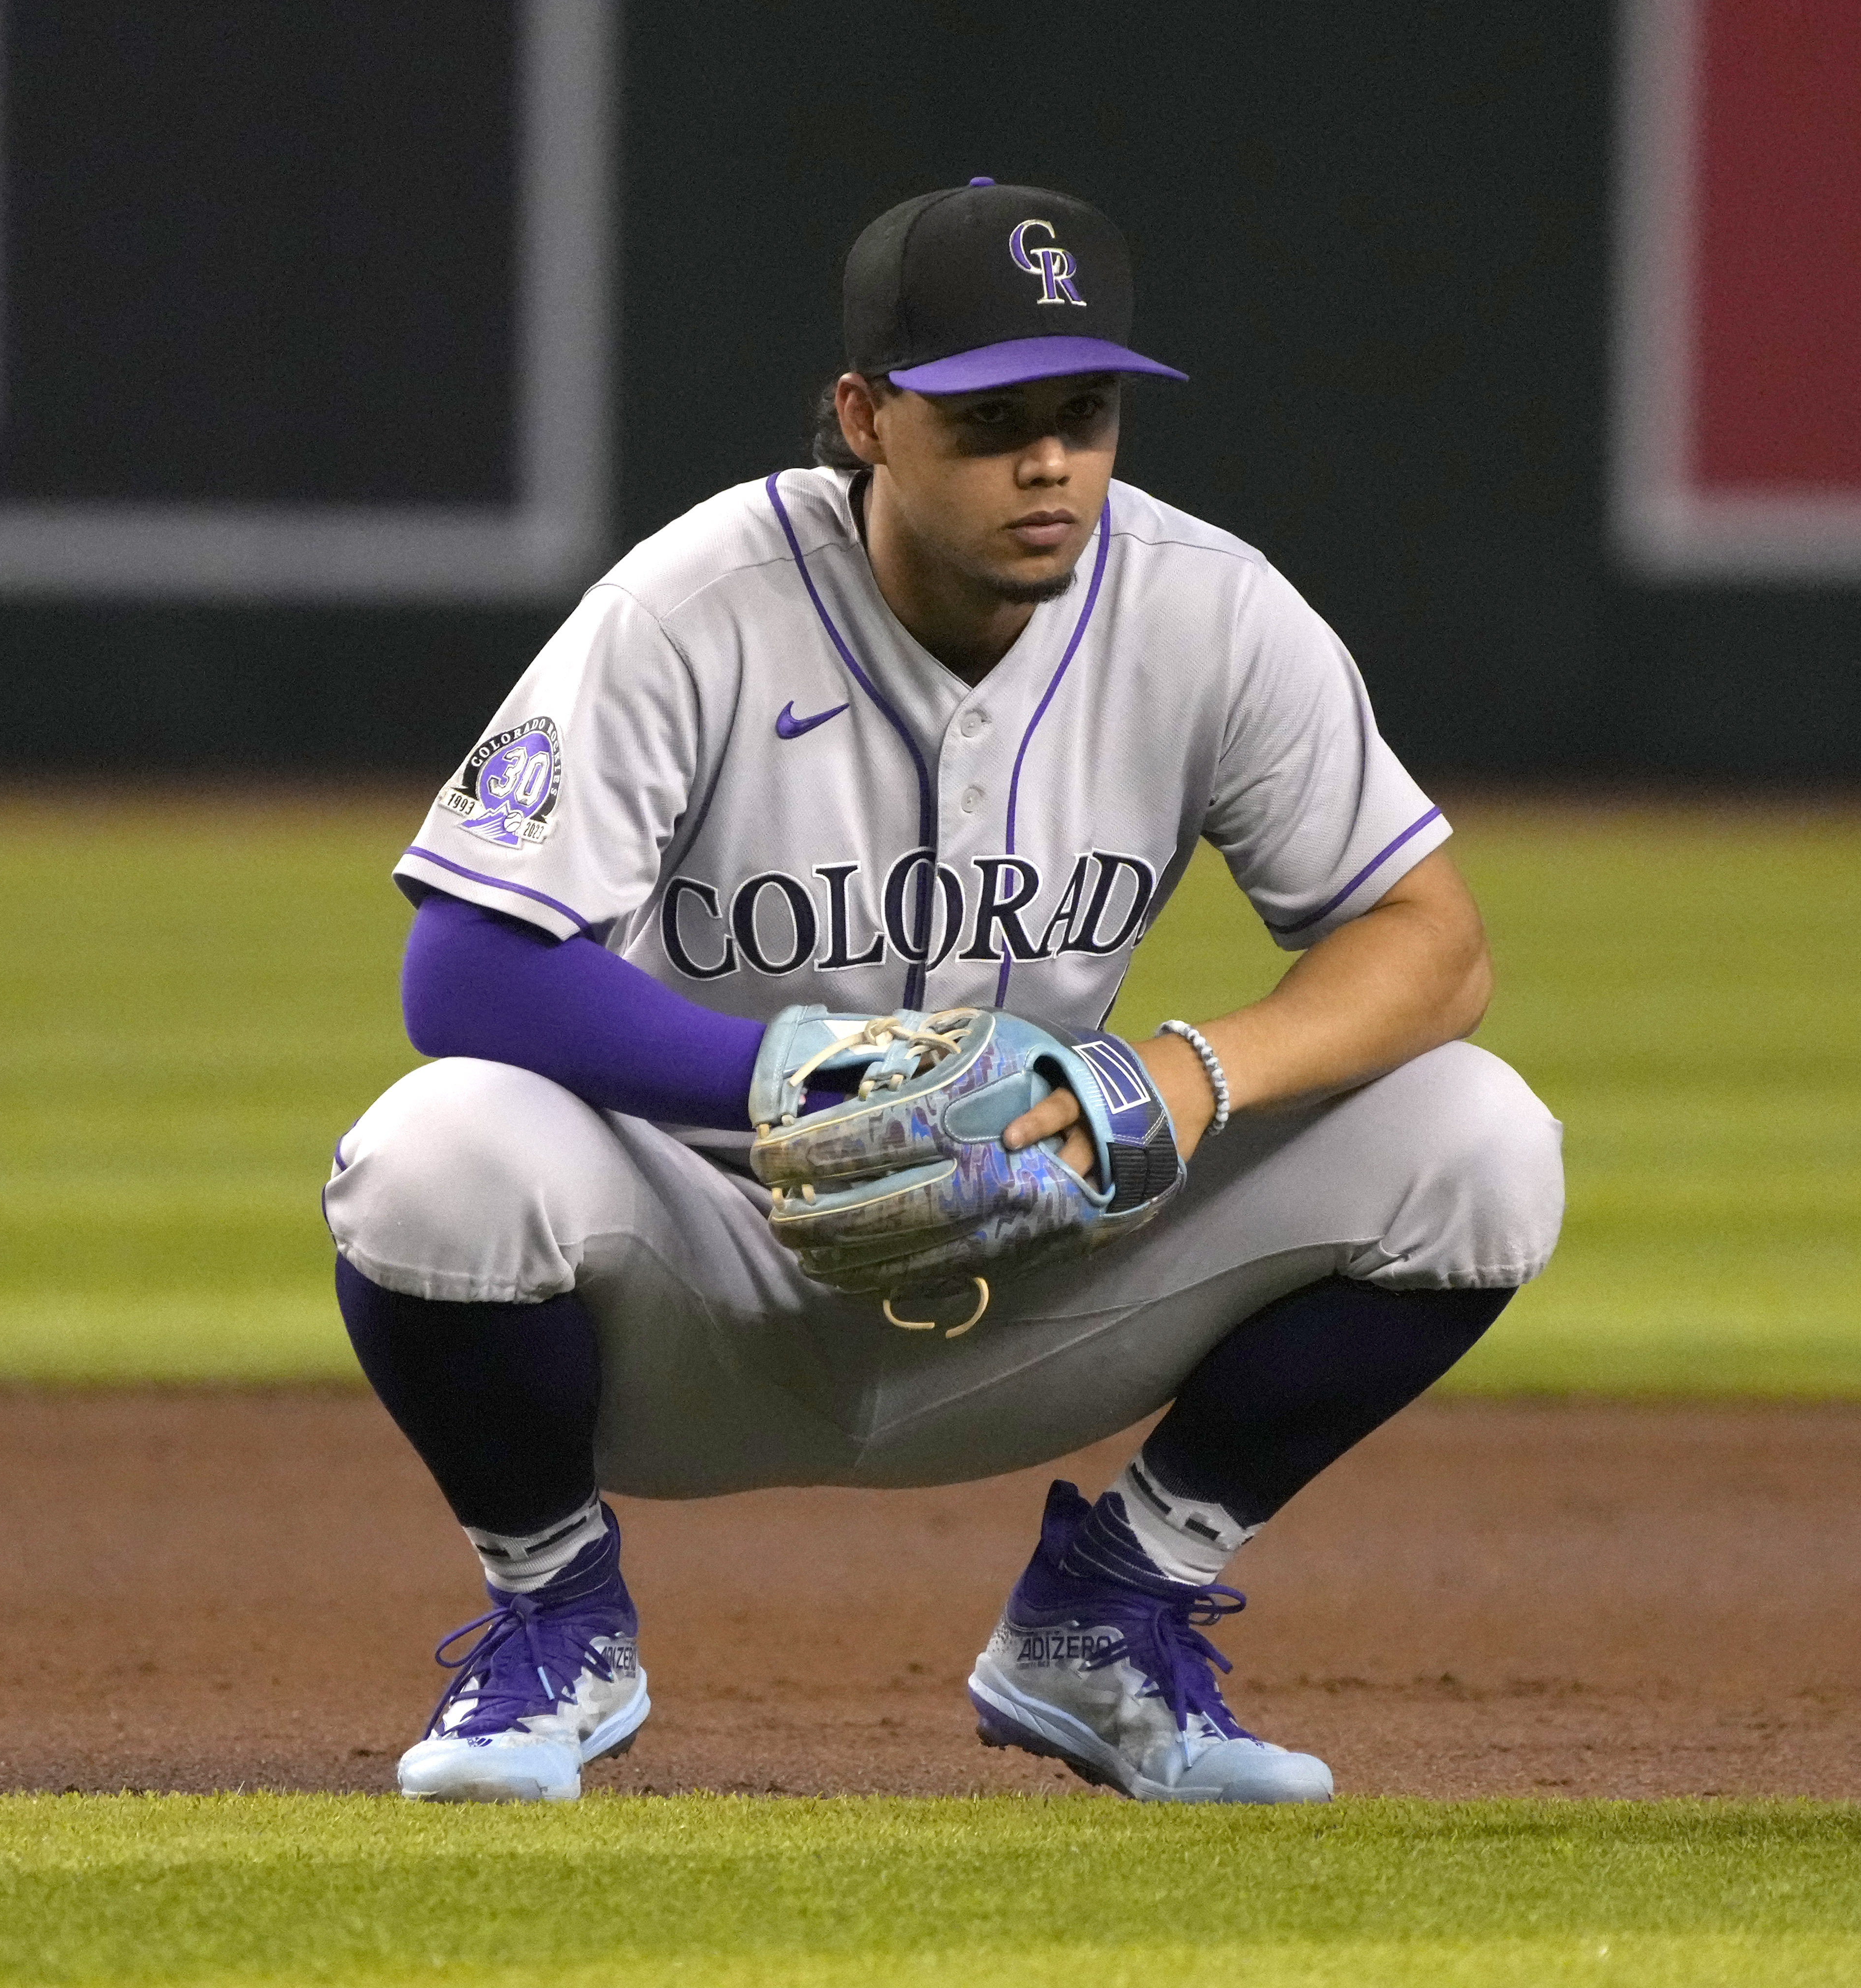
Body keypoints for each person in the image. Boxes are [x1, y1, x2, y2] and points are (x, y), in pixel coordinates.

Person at [323, 178, 1564, 1804]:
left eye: (1085, 414)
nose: (1049, 464)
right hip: (699, 1284)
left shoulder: (1210, 612)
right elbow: (465, 966)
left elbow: (1435, 942)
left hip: (1039, 1278)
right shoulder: (689, 608)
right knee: (432, 1156)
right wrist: (787, 1082)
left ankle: (1113, 1616)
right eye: (990, 422)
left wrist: (1181, 1076)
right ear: (867, 420)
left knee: (1482, 1143)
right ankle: (557, 1615)